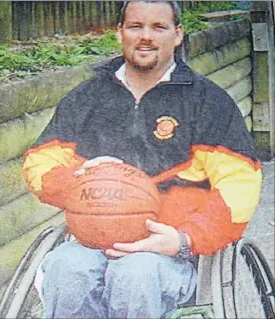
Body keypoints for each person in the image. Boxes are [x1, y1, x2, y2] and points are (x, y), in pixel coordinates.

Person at [23, 1, 262, 318]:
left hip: (168, 250)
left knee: (136, 273)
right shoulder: (87, 97)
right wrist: (76, 181)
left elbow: (239, 183)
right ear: (120, 32)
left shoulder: (208, 102)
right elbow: (40, 161)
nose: (145, 37)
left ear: (177, 35)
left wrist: (184, 239)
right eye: (136, 26)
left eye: (158, 27)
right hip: (92, 238)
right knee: (67, 267)